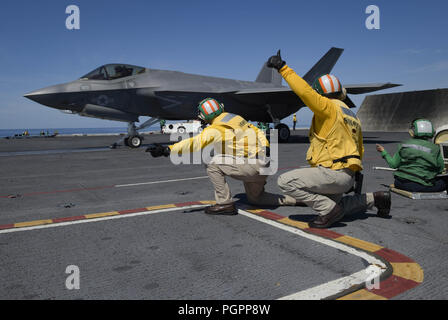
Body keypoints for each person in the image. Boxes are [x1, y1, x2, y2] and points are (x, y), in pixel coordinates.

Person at [266, 50, 391, 228]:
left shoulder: (327, 107)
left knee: (285, 182)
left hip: (332, 173)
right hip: (348, 175)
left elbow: (305, 92)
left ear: (321, 94)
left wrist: (282, 68)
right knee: (337, 206)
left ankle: (329, 211)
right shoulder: (351, 115)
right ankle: (376, 198)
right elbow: (360, 148)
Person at [147, 98, 297, 215]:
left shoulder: (215, 129)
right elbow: (257, 131)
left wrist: (168, 149)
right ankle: (299, 200)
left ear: (204, 116)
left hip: (251, 166)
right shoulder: (235, 118)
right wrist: (266, 147)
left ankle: (225, 204)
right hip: (265, 164)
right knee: (256, 199)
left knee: (212, 162)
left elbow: (195, 143)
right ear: (221, 108)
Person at [376, 119, 446, 192]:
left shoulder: (404, 144)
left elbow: (393, 164)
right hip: (420, 186)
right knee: (444, 181)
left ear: (412, 132)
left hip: (399, 183)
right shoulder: (435, 148)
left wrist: (383, 152)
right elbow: (440, 169)